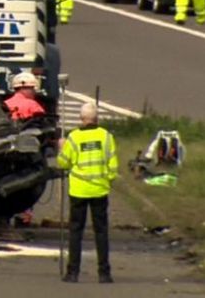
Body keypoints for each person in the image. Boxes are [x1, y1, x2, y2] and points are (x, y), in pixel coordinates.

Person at [57, 102, 118, 284]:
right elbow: (113, 165)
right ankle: (104, 273)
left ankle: (73, 272)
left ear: (81, 119)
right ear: (96, 118)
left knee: (76, 231)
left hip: (79, 191)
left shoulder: (74, 138)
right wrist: (107, 179)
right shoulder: (106, 137)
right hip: (99, 189)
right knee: (101, 231)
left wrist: (61, 148)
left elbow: (63, 163)